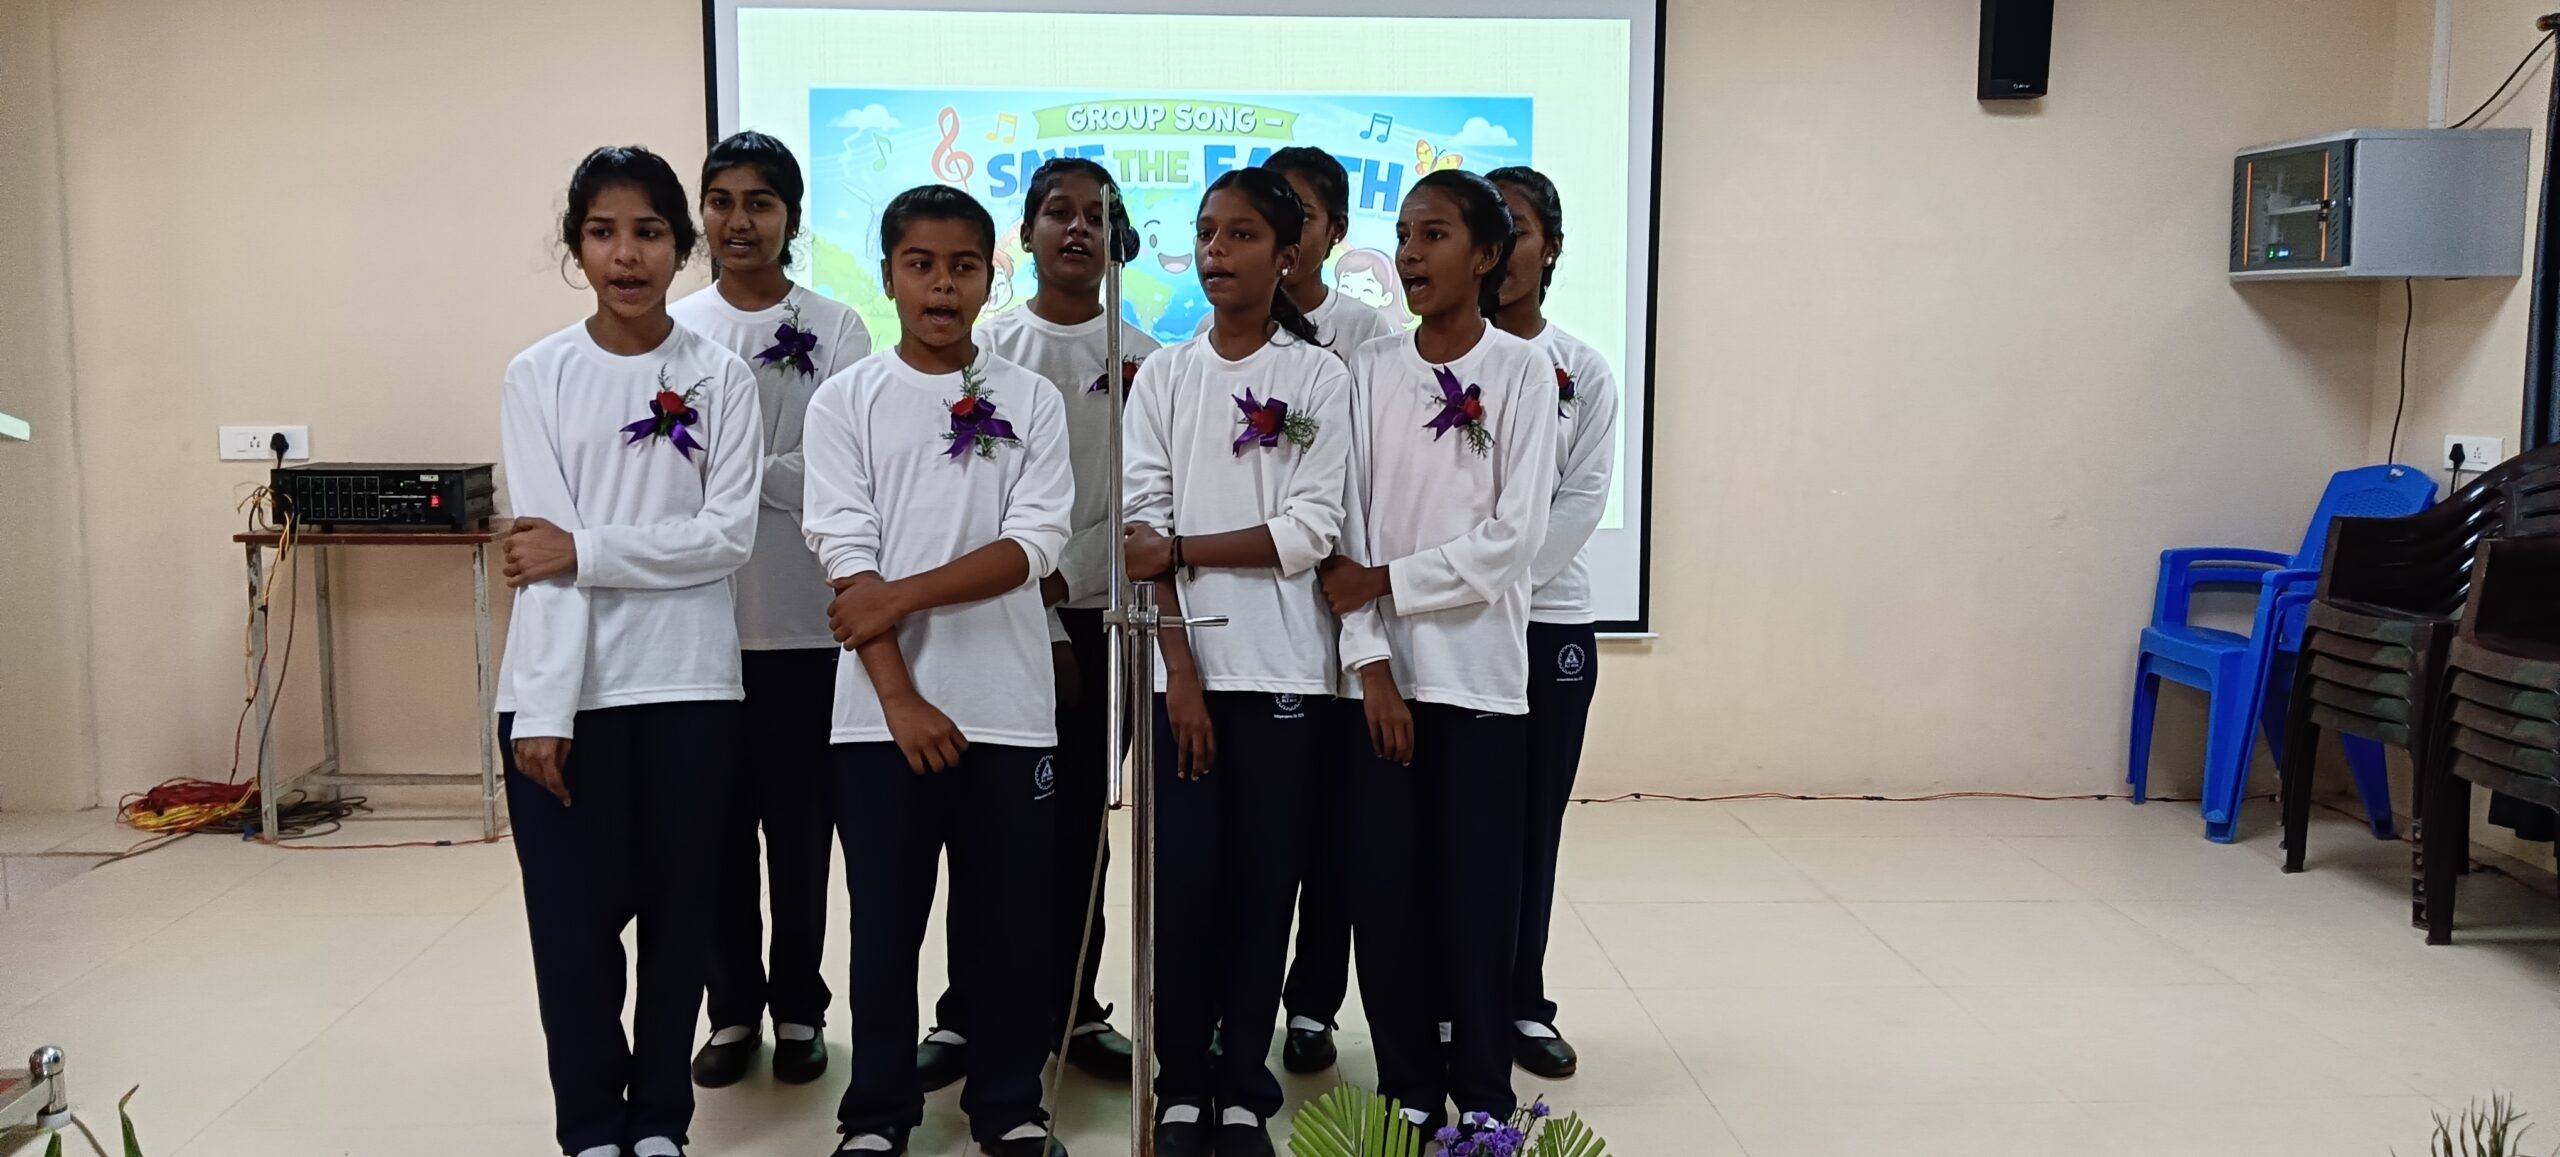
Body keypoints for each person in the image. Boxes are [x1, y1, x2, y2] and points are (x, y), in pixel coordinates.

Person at [496, 144, 763, 1157]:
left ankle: (659, 1121)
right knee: (572, 934)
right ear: (577, 248)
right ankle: (591, 1127)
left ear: (681, 246)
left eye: (648, 232)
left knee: (679, 919)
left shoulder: (720, 377)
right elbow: (539, 553)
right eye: (603, 232)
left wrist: (588, 549)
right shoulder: (538, 374)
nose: (626, 254)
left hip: (692, 688)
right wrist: (545, 709)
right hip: (568, 694)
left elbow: (726, 537)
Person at [801, 184, 1074, 1157]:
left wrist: (898, 598)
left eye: (963, 266)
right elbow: (847, 558)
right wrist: (901, 696)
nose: (942, 285)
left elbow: (1032, 545)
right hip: (881, 718)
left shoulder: (1030, 398)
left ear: (989, 277)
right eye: (920, 264)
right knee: (884, 926)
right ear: (888, 276)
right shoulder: (846, 400)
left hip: (1007, 704)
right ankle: (877, 1111)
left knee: (1008, 925)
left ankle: (1008, 1101)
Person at [1122, 169, 1354, 1157]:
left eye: (1242, 234)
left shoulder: (1320, 379)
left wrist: (1183, 548)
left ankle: (1242, 1089)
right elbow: (1141, 532)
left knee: (1265, 887)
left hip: (1287, 671)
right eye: (1206, 232)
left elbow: (1309, 530)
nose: (1217, 250)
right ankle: (1181, 1084)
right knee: (1185, 886)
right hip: (1183, 676)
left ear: (1287, 255)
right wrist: (1179, 671)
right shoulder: (1166, 377)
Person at [1320, 169, 1554, 1132]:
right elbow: (1347, 539)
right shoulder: (1370, 370)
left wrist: (1389, 581)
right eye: (1405, 234)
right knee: (1387, 895)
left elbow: (1512, 542)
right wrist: (1372, 667)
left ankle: (1485, 1095)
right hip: (1382, 688)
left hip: (1483, 684)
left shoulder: (1525, 371)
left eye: (1435, 235)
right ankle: (1408, 1085)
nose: (1411, 253)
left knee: (1478, 897)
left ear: (1487, 255)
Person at [921, 156, 1158, 1090]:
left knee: (1078, 827)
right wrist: (1035, 598)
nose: (1077, 228)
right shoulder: (985, 352)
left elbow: (1141, 500)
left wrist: (1069, 583)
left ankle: (1074, 1006)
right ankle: (967, 1014)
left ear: (1118, 238)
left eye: (1097, 215)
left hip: (1104, 621)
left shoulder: (1145, 357)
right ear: (1024, 234)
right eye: (1058, 211)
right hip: (995, 615)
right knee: (984, 826)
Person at [672, 130, 874, 1090]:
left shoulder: (837, 328)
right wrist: (763, 477)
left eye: (759, 201)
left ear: (791, 216)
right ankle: (731, 1009)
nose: (738, 219)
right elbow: (660, 486)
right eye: (721, 200)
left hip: (804, 625)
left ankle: (800, 1006)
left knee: (800, 834)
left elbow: (839, 474)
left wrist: (726, 477)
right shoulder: (675, 327)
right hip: (700, 630)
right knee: (713, 832)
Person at [1240, 146, 1404, 1076]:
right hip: (1263, 629)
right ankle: (1236, 1006)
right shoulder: (1228, 331)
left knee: (1335, 841)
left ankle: (1311, 1004)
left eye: (1298, 213)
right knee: (1261, 843)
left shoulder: (1368, 338)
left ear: (1333, 231)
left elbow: (1366, 489)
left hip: (1349, 617)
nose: (1284, 230)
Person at [1485, 165, 1620, 1082]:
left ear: (1552, 248)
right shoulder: (1425, 365)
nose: (1502, 249)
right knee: (1451, 829)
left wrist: (1489, 584)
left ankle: (1521, 1002)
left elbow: (1579, 504)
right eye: (1486, 229)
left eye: (1519, 229)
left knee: (1531, 825)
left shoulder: (1582, 369)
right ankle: (1450, 1002)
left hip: (1545, 626)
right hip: (1446, 631)